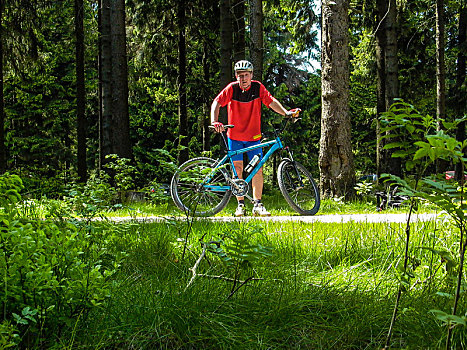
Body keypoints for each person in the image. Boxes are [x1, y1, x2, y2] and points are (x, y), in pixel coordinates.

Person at [210, 60, 300, 217]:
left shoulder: (258, 88)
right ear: (236, 76)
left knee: (257, 169)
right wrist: (214, 121)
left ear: (251, 75)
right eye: (239, 75)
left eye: (246, 75)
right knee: (237, 169)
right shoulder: (232, 89)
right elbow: (216, 103)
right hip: (235, 136)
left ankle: (258, 205)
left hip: (254, 136)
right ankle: (240, 205)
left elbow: (271, 101)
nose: (243, 78)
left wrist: (285, 112)